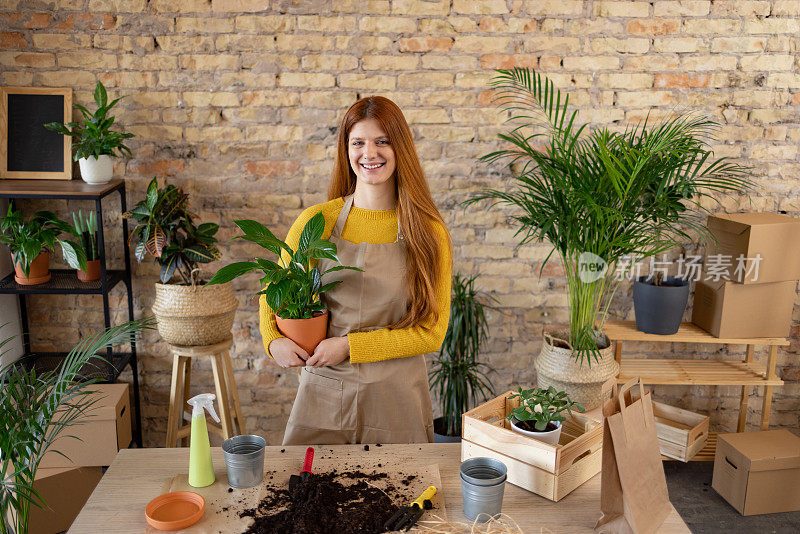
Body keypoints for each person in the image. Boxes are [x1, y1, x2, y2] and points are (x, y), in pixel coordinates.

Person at [259, 96, 452, 445]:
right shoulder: (317, 221)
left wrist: (349, 346)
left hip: (397, 396)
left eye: (382, 141)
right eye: (358, 142)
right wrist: (274, 341)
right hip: (326, 388)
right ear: (345, 150)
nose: (370, 153)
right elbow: (274, 292)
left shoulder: (428, 232)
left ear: (401, 148)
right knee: (308, 489)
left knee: (400, 494)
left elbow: (432, 332)